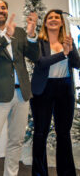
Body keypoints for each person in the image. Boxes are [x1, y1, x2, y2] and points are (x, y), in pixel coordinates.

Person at [0, 0, 39, 176]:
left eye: (3, 7)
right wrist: (5, 37)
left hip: (21, 93)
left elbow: (35, 56)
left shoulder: (19, 32)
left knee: (16, 140)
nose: (1, 10)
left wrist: (31, 35)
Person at [30, 9, 80, 176]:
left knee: (64, 134)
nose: (53, 20)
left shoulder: (67, 41)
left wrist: (70, 49)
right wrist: (63, 53)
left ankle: (67, 173)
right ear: (45, 23)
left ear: (61, 22)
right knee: (40, 133)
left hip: (65, 88)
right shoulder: (39, 42)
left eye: (56, 18)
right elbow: (41, 62)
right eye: (49, 17)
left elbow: (77, 64)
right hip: (43, 89)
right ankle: (39, 173)